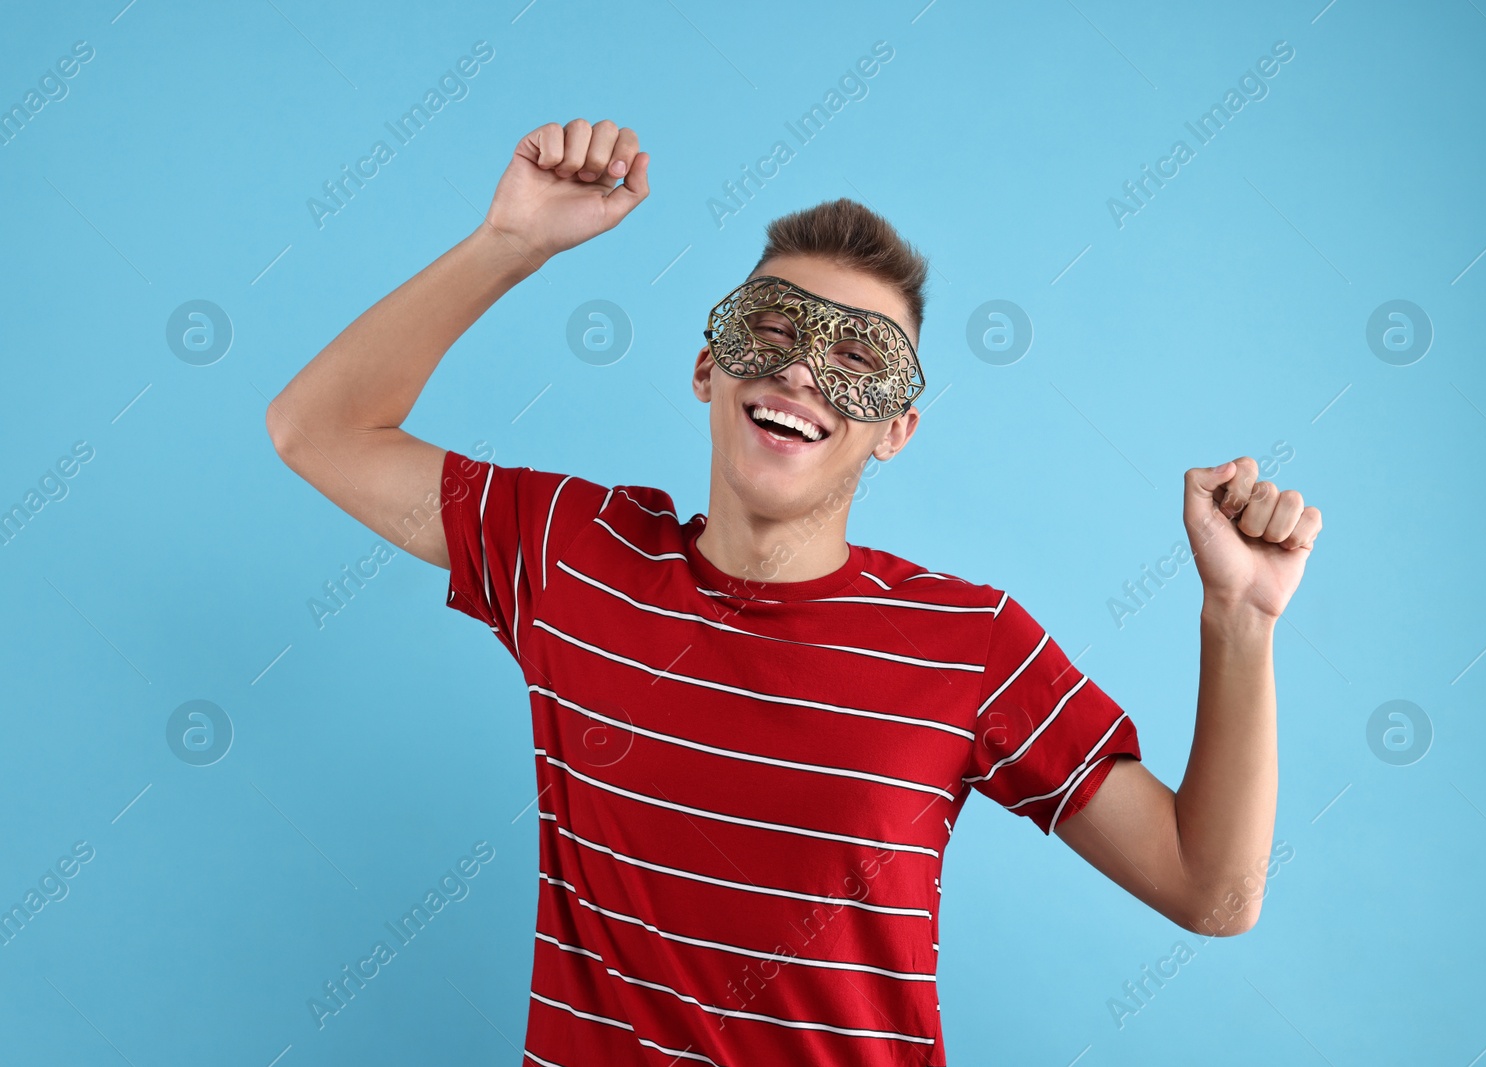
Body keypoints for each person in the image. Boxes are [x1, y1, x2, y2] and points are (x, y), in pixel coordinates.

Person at [267, 119, 1323, 1066]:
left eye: (859, 356)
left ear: (894, 427)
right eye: (770, 333)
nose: (803, 373)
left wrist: (1241, 617)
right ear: (706, 368)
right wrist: (510, 243)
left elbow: (1211, 889)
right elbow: (315, 430)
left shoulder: (971, 642)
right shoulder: (571, 553)